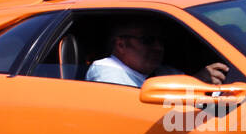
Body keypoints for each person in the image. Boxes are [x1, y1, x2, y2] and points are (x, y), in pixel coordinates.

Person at [86, 19, 230, 87]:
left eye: (161, 41)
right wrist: (195, 84)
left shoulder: (164, 71)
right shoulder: (107, 71)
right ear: (121, 45)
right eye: (148, 40)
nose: (158, 47)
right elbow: (136, 113)